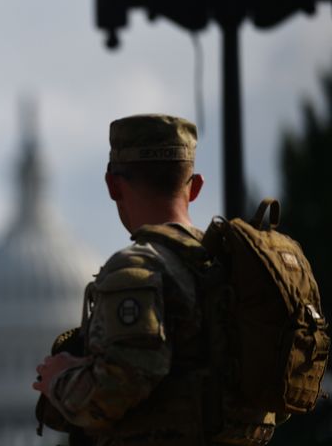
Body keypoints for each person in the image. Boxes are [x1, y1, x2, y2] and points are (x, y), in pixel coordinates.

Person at [33, 114, 277, 445]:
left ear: (113, 185)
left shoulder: (135, 271)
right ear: (196, 187)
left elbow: (115, 391)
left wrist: (59, 378)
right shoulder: (238, 266)